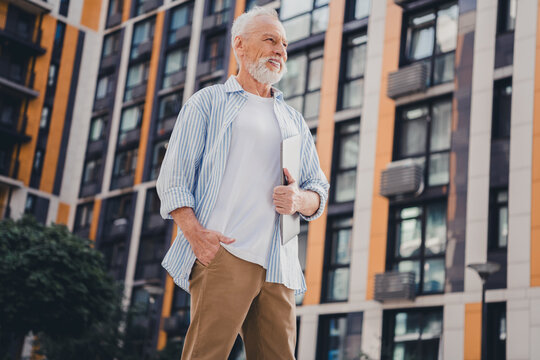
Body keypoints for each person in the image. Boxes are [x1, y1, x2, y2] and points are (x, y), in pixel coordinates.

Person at [156, 6, 329, 359]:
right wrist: (196, 236)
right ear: (240, 45)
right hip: (225, 252)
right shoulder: (208, 103)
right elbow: (174, 178)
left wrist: (298, 200)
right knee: (206, 355)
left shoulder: (293, 119)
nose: (280, 50)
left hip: (279, 263)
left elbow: (318, 191)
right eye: (270, 40)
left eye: (284, 43)